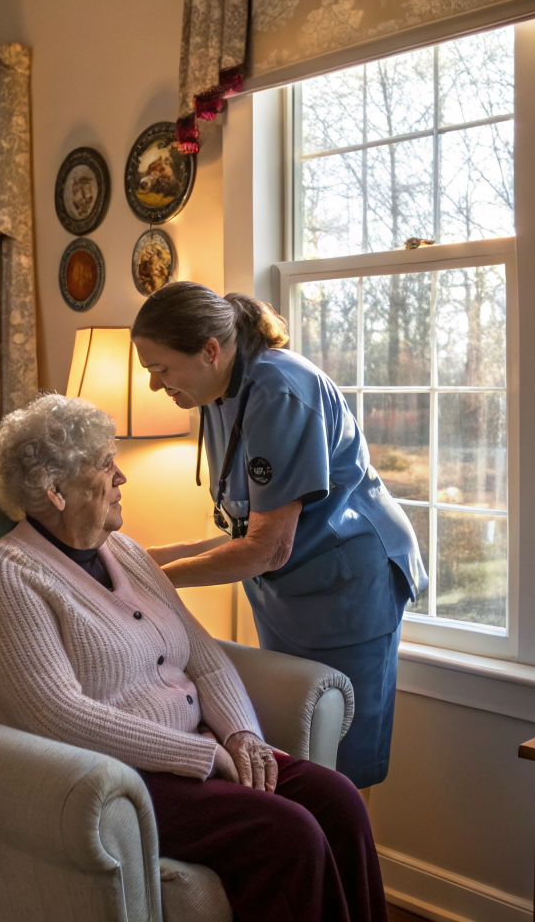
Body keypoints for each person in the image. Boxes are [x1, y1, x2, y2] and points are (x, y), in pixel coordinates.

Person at [0, 394, 387, 922]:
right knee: (288, 833)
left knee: (339, 800)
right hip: (119, 777)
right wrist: (203, 758)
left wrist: (242, 735)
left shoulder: (128, 553)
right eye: (104, 464)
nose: (121, 477)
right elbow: (54, 714)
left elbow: (203, 658)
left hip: (200, 748)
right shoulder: (4, 571)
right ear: (55, 491)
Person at [132, 282, 426, 790]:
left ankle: (344, 867)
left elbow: (268, 546)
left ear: (210, 349)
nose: (157, 386)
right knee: (296, 743)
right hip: (289, 586)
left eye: (161, 369)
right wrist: (132, 561)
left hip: (348, 584)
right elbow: (243, 527)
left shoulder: (280, 389)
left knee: (341, 768)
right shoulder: (214, 390)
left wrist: (152, 581)